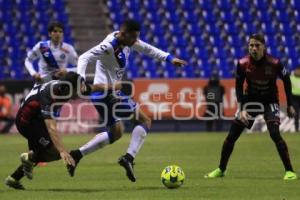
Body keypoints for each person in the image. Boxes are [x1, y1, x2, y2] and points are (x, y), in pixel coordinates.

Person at [67, 19, 187, 182]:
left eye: (137, 37)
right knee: (145, 120)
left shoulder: (128, 41)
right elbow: (84, 58)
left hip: (101, 95)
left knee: (116, 132)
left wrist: (169, 58)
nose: (135, 41)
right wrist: (80, 79)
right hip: (108, 93)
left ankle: (76, 155)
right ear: (123, 34)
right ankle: (128, 158)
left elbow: (147, 49)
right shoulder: (109, 46)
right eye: (133, 38)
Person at [204, 34, 297, 180]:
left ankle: (289, 171)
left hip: (270, 102)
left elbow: (286, 81)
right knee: (232, 136)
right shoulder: (242, 63)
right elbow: (238, 86)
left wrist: (290, 104)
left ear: (263, 47)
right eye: (251, 45)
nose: (253, 48)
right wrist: (241, 109)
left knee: (274, 134)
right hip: (250, 103)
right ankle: (221, 169)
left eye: (257, 45)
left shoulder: (275, 63)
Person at [4, 72, 119, 190]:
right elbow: (51, 128)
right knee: (55, 152)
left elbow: (93, 88)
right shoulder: (50, 96)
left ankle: (14, 177)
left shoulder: (67, 87)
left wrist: (113, 87)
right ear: (70, 88)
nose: (82, 90)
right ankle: (29, 158)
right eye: (80, 87)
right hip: (27, 122)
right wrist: (63, 151)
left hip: (37, 119)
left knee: (47, 152)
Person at [290, 65, 300, 132]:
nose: (298, 72)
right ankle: (296, 129)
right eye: (297, 70)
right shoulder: (291, 78)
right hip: (294, 98)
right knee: (296, 114)